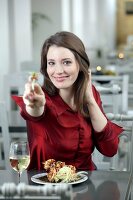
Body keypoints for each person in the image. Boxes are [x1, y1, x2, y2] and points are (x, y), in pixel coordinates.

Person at [12, 31, 123, 171]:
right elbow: (34, 110)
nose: (58, 70)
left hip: (86, 184)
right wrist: (34, 104)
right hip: (45, 187)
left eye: (66, 62)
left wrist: (90, 100)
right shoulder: (40, 97)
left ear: (80, 64)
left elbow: (110, 149)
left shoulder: (90, 92)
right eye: (51, 63)